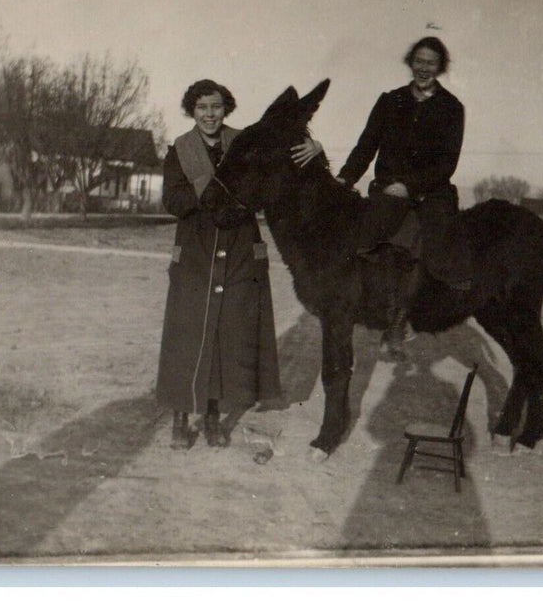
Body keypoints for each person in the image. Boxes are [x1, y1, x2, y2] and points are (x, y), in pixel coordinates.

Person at [157, 79, 323, 449]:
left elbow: (282, 156)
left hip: (239, 250)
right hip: (196, 250)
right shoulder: (180, 150)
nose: (210, 115)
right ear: (192, 111)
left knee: (227, 336)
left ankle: (214, 416)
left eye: (216, 107)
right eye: (202, 108)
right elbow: (173, 198)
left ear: (225, 108)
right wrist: (216, 191)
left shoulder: (245, 141)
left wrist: (315, 147)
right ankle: (181, 418)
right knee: (187, 334)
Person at [335, 37, 466, 356]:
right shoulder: (389, 101)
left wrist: (410, 187)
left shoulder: (452, 108)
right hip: (387, 187)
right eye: (419, 61)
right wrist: (345, 177)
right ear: (411, 62)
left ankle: (404, 318)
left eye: (431, 62)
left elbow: (448, 163)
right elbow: (366, 146)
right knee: (363, 238)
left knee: (434, 243)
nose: (424, 68)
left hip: (430, 191)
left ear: (440, 67)